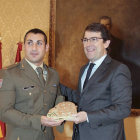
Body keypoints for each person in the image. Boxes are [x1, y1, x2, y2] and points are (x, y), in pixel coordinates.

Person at [60, 23, 132, 140]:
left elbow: (122, 109)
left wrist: (87, 116)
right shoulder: (84, 69)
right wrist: (53, 83)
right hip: (80, 135)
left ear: (106, 43)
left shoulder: (118, 69)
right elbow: (81, 98)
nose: (88, 44)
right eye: (85, 40)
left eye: (94, 39)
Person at [0, 28, 64, 140]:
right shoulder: (9, 73)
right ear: (24, 46)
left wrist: (67, 111)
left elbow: (57, 105)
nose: (34, 48)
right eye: (30, 43)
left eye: (39, 43)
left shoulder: (54, 75)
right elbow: (4, 112)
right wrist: (38, 121)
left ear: (47, 47)